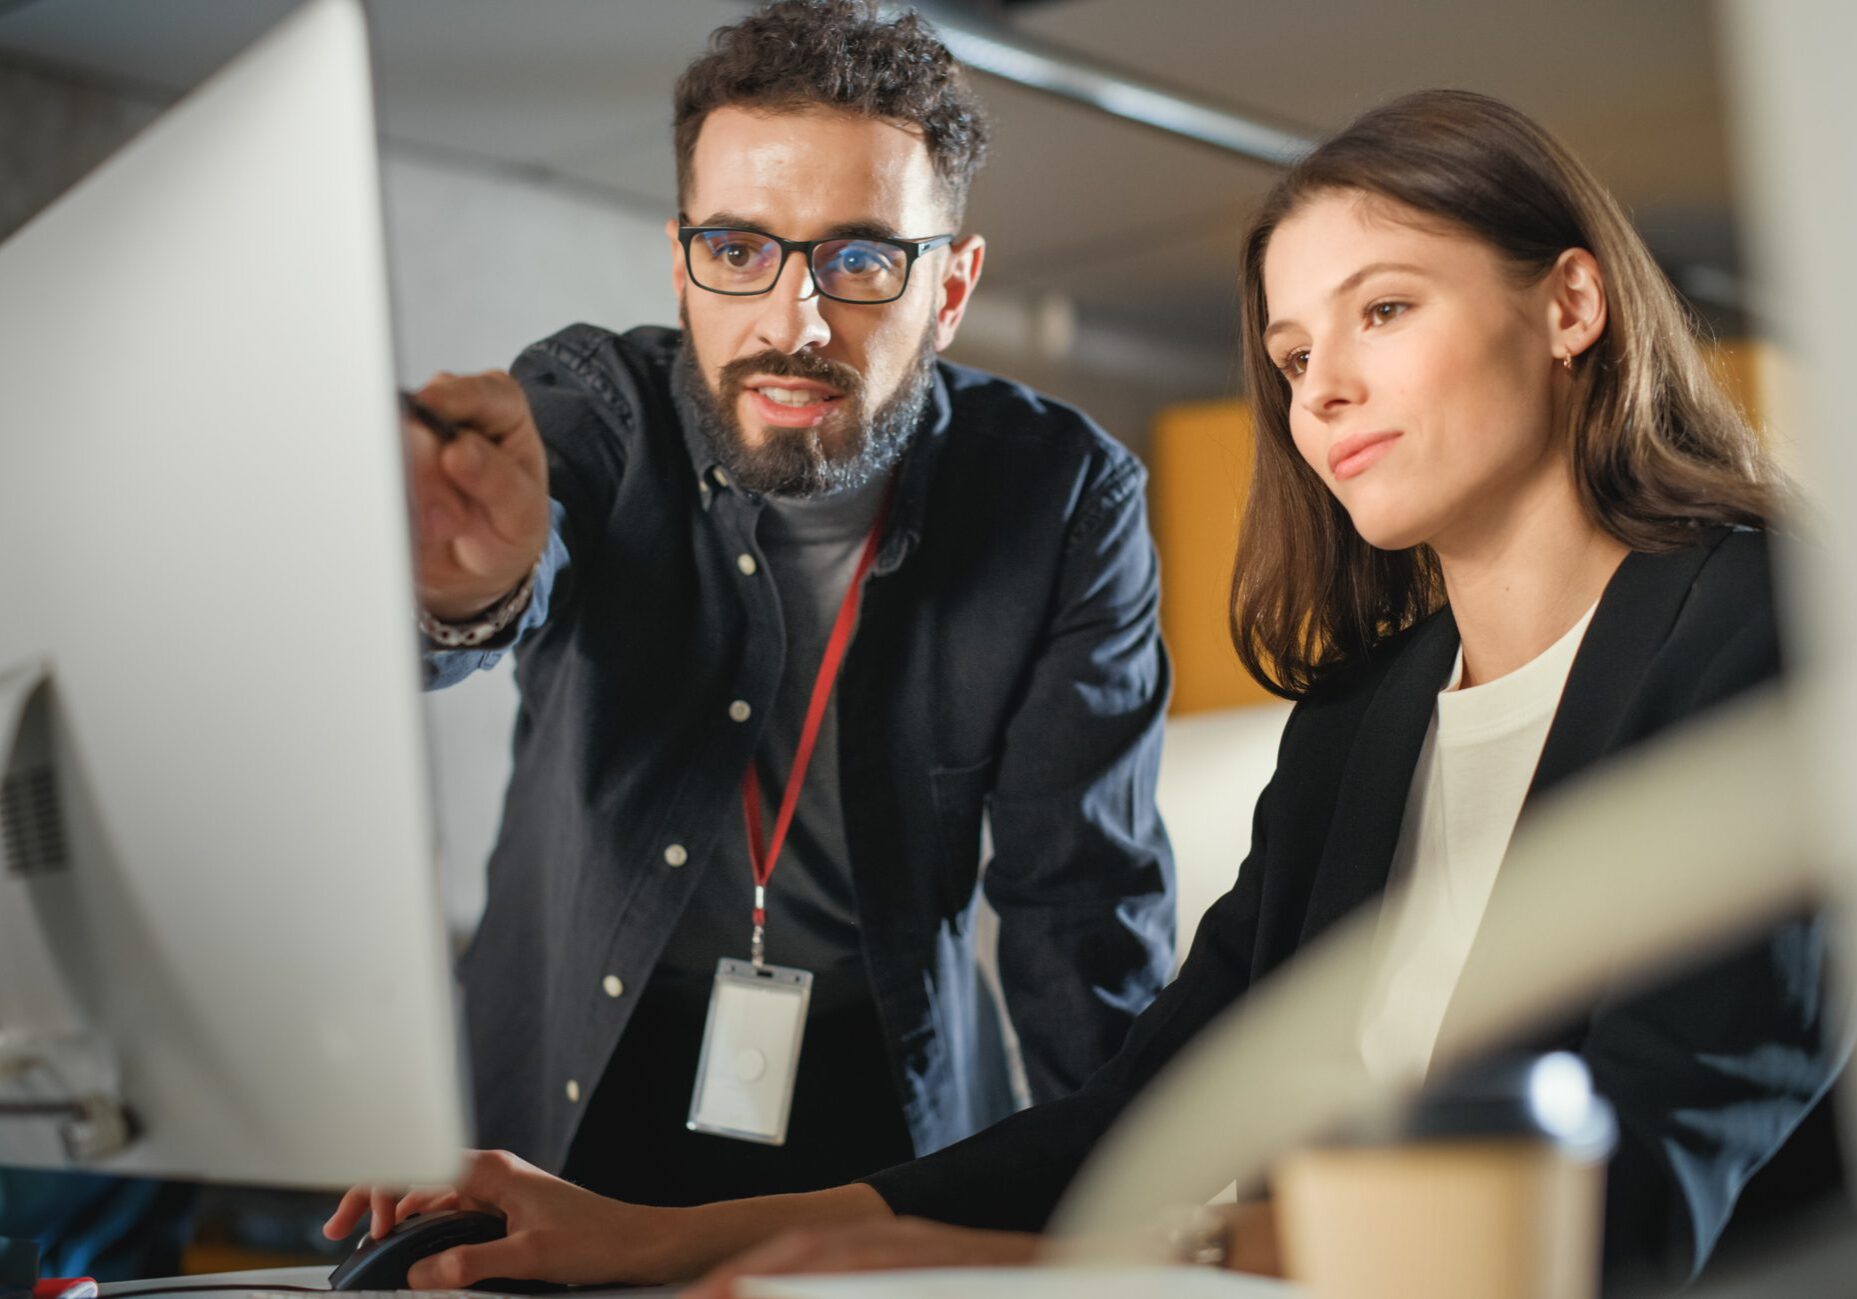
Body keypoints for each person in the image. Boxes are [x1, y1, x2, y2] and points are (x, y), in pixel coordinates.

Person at [326, 89, 1841, 1292]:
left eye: (1382, 312)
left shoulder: (1774, 629)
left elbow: (1639, 1192)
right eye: (1291, 346)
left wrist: (1036, 1262)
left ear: (1571, 305)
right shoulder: (1368, 713)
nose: (1318, 389)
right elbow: (1150, 1101)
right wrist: (644, 1233)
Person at [400, 0, 1176, 1211]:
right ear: (682, 261)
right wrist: (463, 587)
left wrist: (1145, 1213)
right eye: (740, 249)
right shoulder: (595, 407)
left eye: (861, 258)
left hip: (885, 1096)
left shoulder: (1063, 500)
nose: (792, 323)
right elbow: (513, 566)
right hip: (570, 1080)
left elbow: (1082, 905)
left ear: (953, 288)